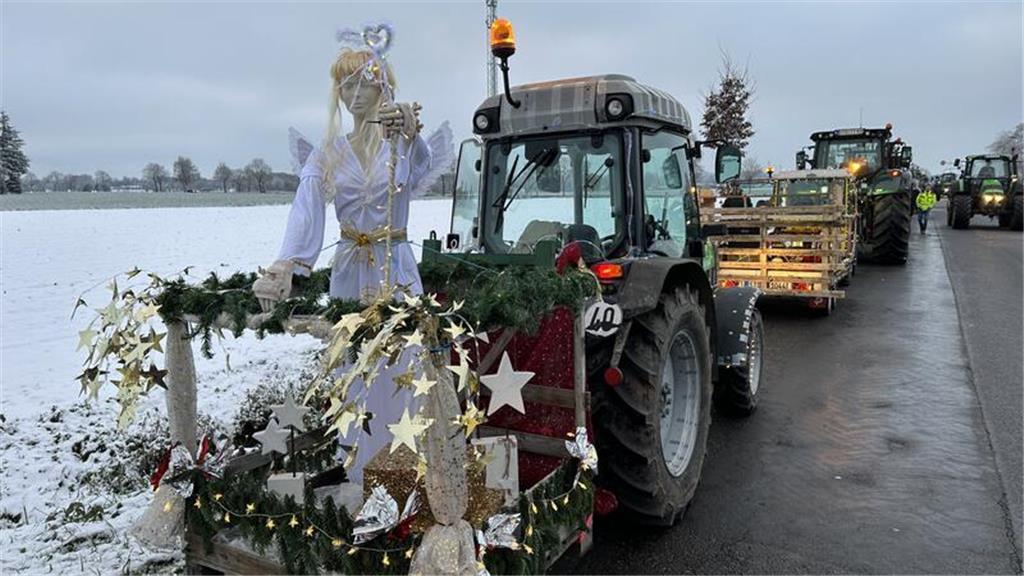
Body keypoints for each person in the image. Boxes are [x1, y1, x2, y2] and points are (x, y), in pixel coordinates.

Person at [252, 34, 452, 484]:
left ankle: (405, 466)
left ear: (384, 89)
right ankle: (356, 463)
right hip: (347, 268)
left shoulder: (400, 143)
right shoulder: (328, 153)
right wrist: (287, 263)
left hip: (394, 264)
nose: (353, 95)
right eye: (345, 86)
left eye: (364, 84)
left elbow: (420, 163)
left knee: (402, 364)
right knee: (352, 365)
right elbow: (305, 208)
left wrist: (411, 132)